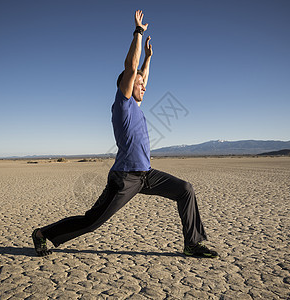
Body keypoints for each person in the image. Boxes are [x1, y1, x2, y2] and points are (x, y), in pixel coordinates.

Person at [32, 10, 218, 258]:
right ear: (127, 85)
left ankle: (192, 243)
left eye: (142, 83)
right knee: (92, 221)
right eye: (138, 83)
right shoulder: (123, 104)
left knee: (185, 189)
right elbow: (131, 67)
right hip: (124, 178)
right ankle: (43, 234)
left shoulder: (137, 107)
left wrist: (148, 60)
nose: (144, 86)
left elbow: (141, 74)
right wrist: (138, 33)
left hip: (146, 174)